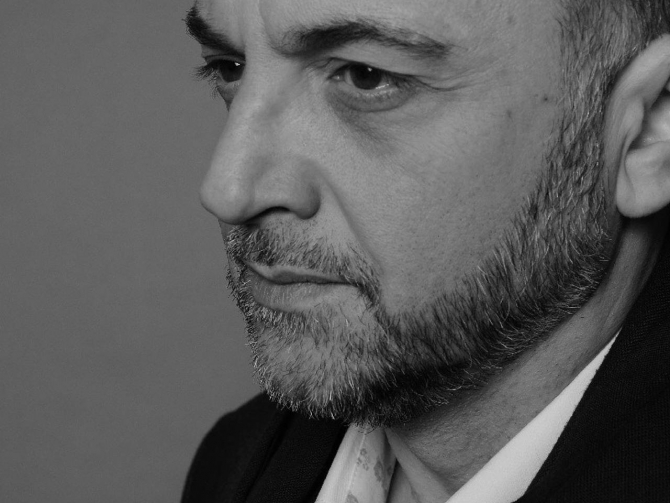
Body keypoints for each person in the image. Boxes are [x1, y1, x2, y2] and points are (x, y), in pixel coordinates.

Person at [181, 0, 670, 501]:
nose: (227, 192)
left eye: (366, 76)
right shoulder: (236, 465)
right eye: (230, 67)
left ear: (649, 132)